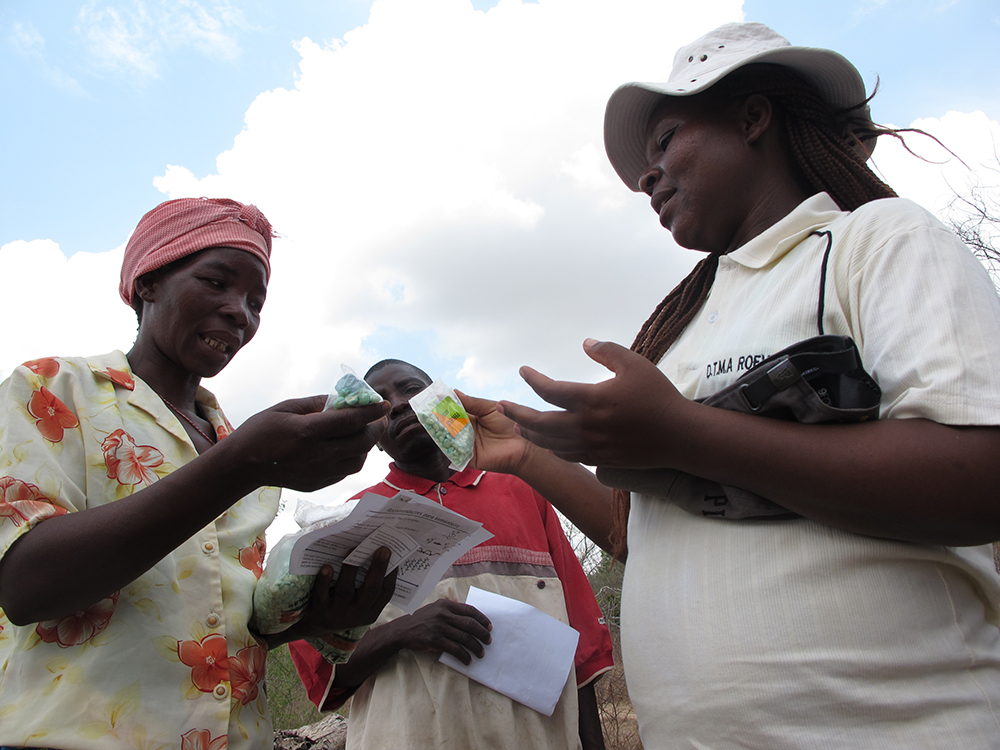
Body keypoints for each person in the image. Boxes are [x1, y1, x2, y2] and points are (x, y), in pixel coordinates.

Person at [458, 22, 1000, 749]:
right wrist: (528, 455)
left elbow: (981, 478)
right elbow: (642, 534)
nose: (645, 176)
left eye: (666, 139)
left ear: (753, 118)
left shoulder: (878, 242)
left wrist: (685, 433)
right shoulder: (684, 328)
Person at [0, 198, 396, 750]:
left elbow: (223, 616)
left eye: (256, 302)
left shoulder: (237, 439)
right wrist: (240, 467)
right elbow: (25, 585)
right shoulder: (51, 389)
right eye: (216, 282)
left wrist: (306, 619)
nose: (241, 312)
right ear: (147, 284)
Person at [289, 359, 614, 750]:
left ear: (447, 400)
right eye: (382, 403)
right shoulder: (351, 520)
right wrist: (400, 633)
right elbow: (322, 670)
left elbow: (577, 650)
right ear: (373, 437)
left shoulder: (524, 491)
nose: (401, 404)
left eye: (412, 389)